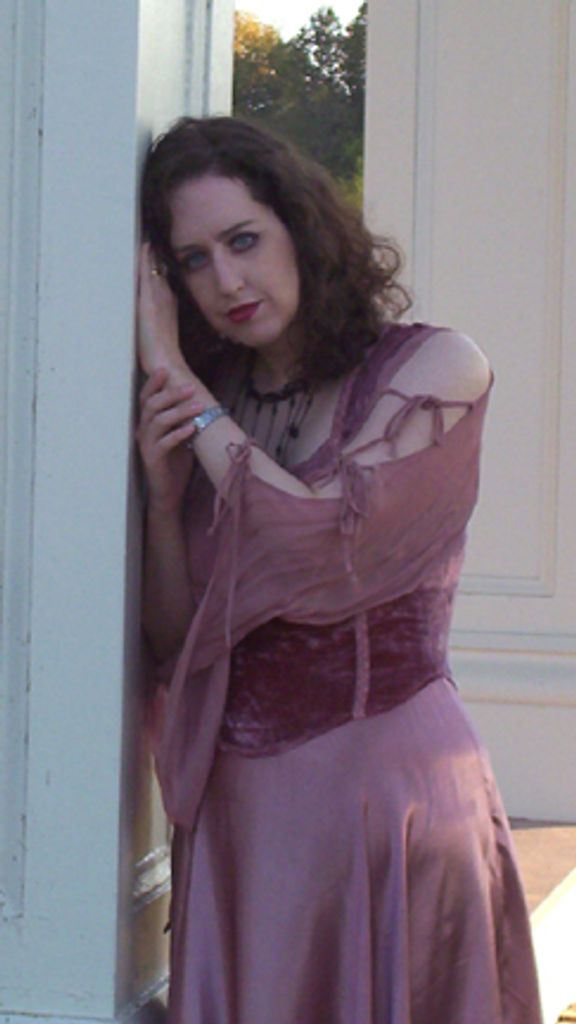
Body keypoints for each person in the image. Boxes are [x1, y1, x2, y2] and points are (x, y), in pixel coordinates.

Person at [137, 116, 542, 1024]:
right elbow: (174, 640)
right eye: (194, 261)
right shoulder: (217, 404)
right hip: (242, 820)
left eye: (244, 240)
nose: (227, 281)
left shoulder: (434, 367)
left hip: (392, 800)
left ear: (302, 227)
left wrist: (179, 386)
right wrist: (162, 505)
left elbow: (321, 543)